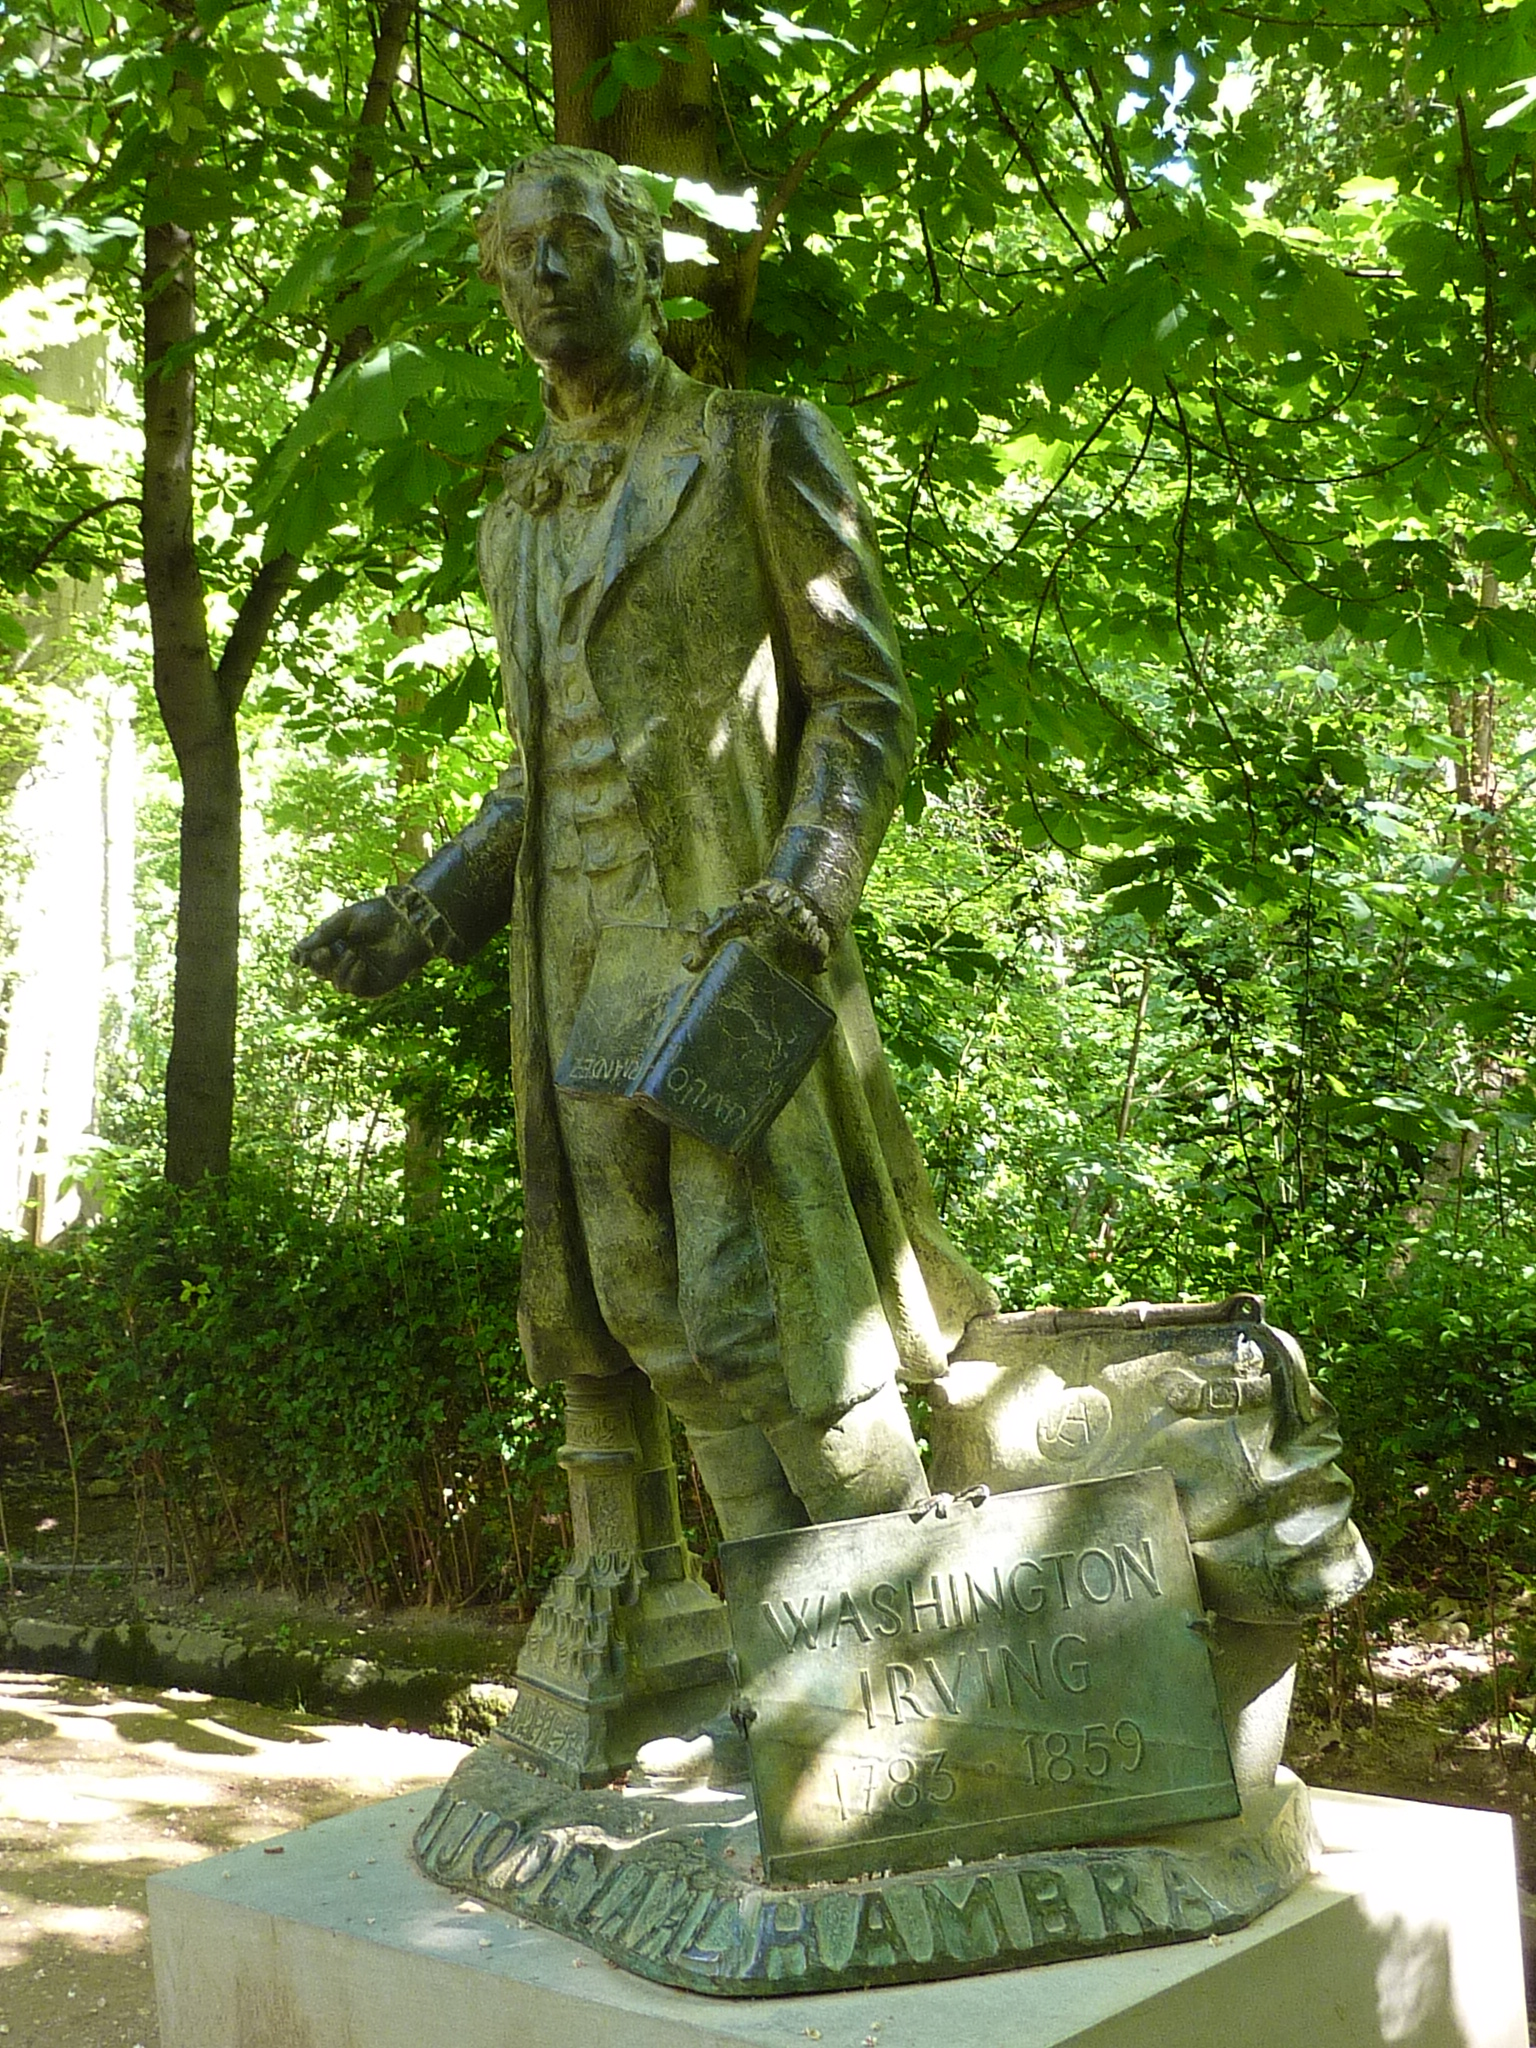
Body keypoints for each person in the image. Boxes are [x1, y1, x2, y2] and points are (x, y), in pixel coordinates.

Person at [294, 145, 993, 1542]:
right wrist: (427, 912)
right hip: (578, 963)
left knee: (777, 1305)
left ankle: (907, 1630)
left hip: (732, 938)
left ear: (639, 253)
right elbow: (542, 766)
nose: (543, 274)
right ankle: (788, 1651)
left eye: (572, 241)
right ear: (495, 289)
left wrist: (805, 891)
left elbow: (859, 704)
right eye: (515, 256)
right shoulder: (513, 516)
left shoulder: (754, 442)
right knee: (646, 1311)